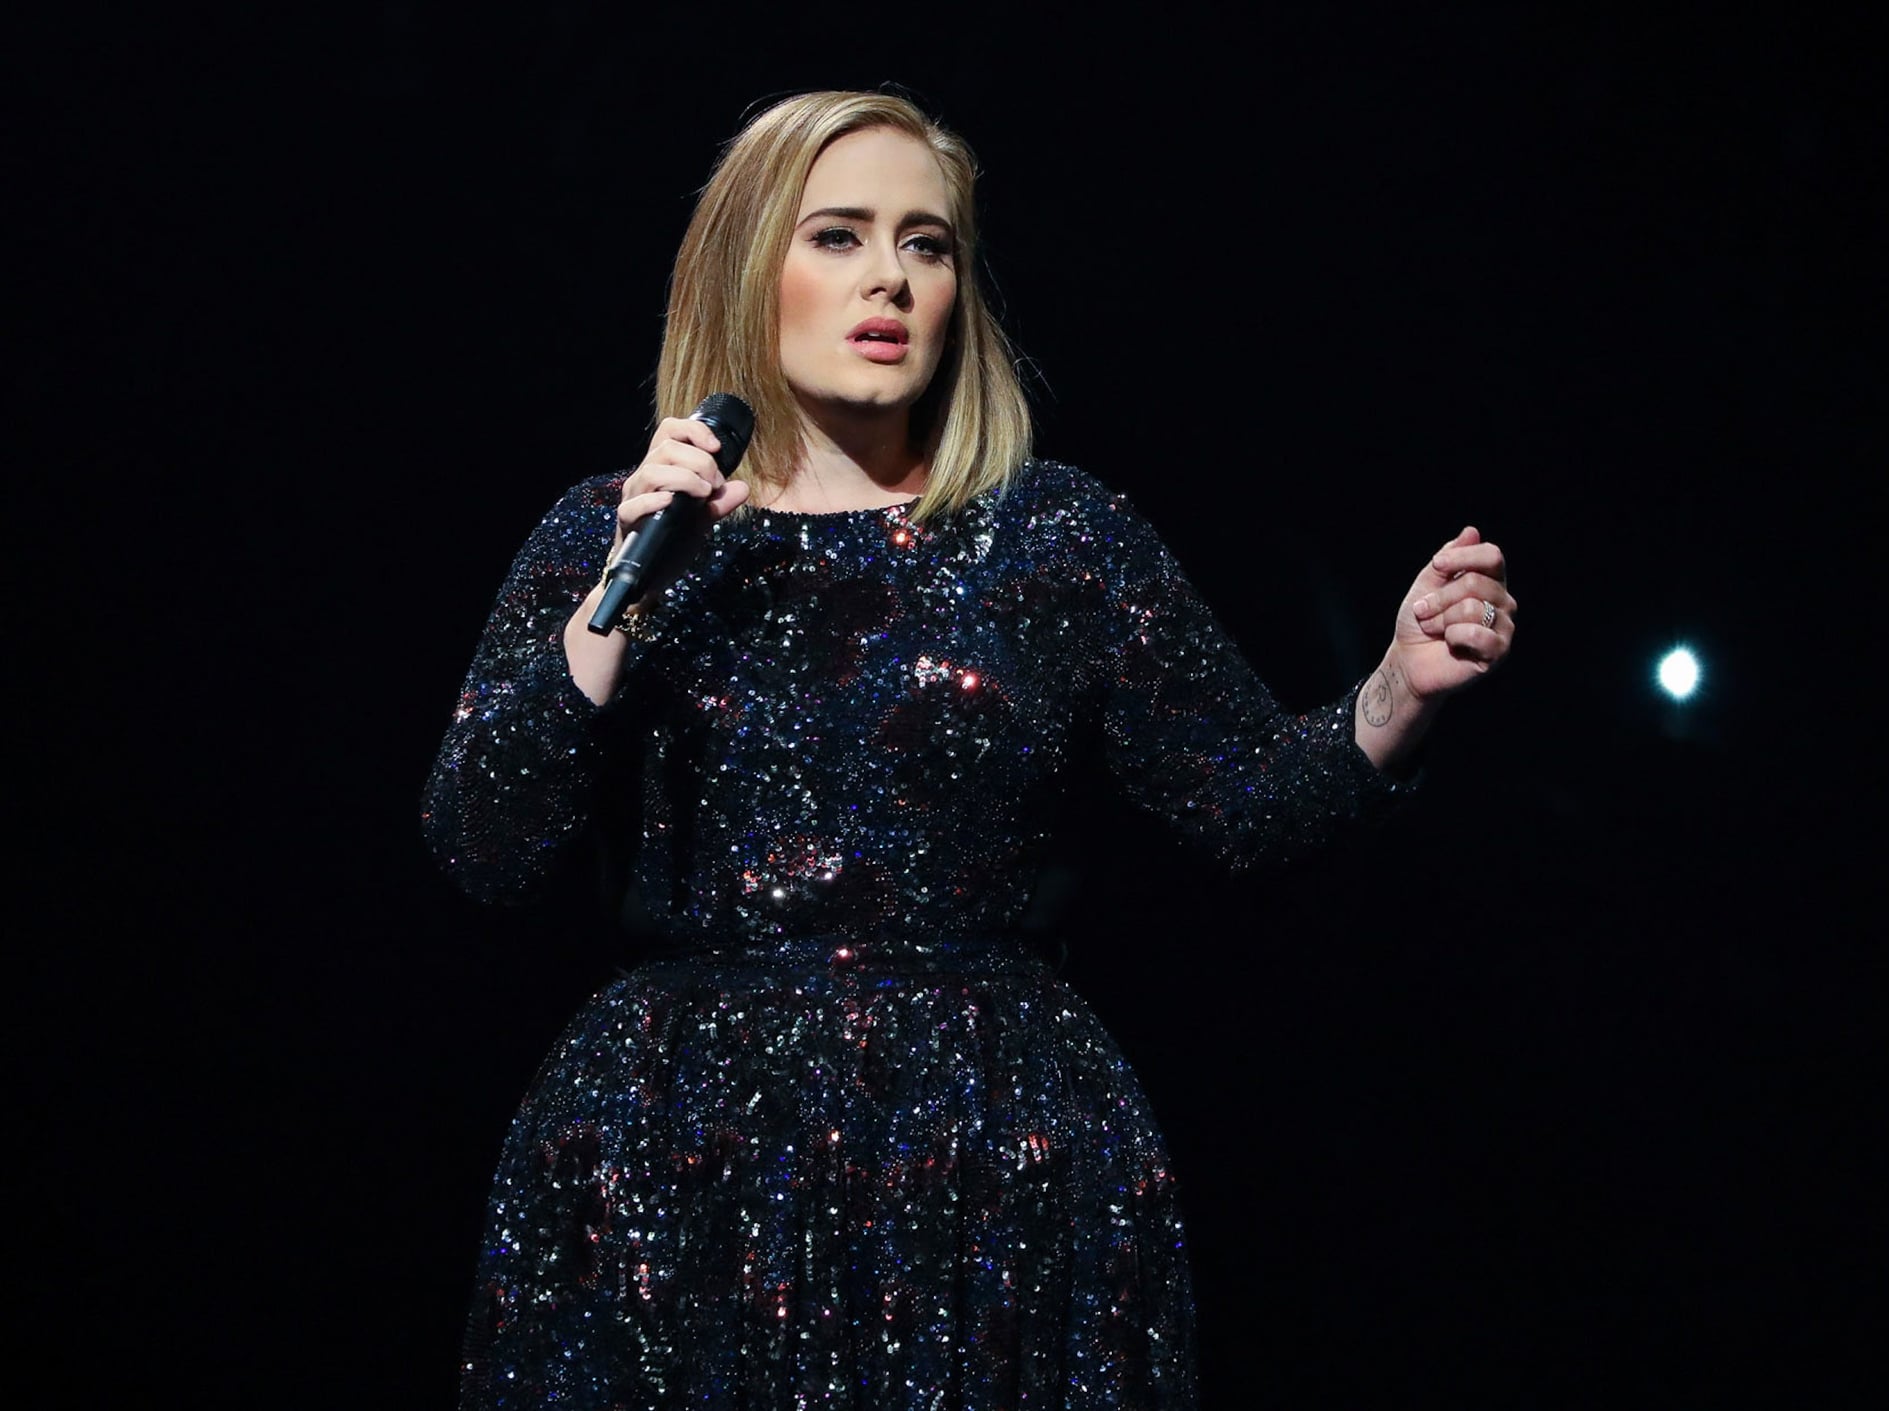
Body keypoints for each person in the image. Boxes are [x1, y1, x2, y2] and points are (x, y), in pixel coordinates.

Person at [424, 90, 1516, 1410]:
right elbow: (482, 846)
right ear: (745, 266)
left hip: (989, 1164)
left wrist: (1400, 686)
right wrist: (621, 610)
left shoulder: (1054, 538)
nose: (889, 275)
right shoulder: (614, 535)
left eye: (926, 243)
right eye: (838, 236)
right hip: (676, 1164)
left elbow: (1249, 805)